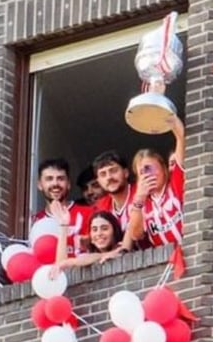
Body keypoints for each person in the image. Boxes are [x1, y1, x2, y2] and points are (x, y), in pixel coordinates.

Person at [134, 115, 187, 248]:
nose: (147, 175)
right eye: (142, 172)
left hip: (190, 253)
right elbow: (136, 234)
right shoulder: (141, 203)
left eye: (149, 168)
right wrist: (139, 199)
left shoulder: (175, 182)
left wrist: (169, 117)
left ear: (164, 169)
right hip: (166, 262)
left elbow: (181, 138)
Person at [92, 150, 145, 250]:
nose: (109, 177)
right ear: (98, 181)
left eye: (113, 170)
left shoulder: (141, 192)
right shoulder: (100, 207)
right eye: (103, 174)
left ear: (125, 173)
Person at [51, 205, 125, 269]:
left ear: (115, 232)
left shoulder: (122, 248)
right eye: (94, 230)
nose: (99, 233)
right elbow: (61, 266)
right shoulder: (89, 257)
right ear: (91, 238)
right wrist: (63, 226)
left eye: (104, 228)